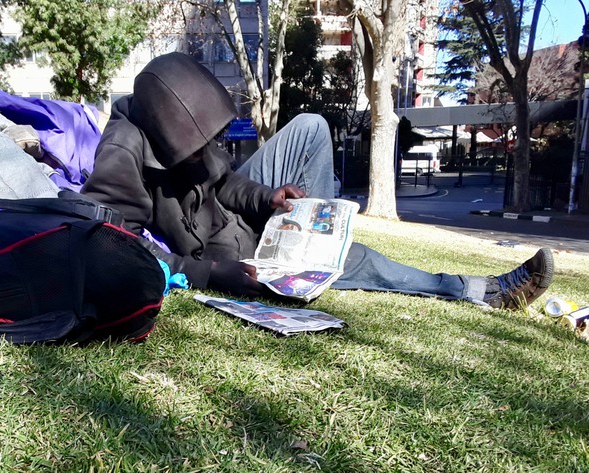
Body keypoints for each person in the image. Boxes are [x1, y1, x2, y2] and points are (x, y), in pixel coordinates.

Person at [81, 52, 553, 310]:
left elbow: (223, 182)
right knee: (365, 264)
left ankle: (323, 248)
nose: (208, 152)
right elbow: (111, 245)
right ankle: (482, 290)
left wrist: (269, 197)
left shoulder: (192, 136)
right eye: (198, 146)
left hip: (245, 224)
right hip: (226, 256)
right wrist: (209, 274)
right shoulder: (122, 150)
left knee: (309, 124)